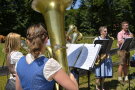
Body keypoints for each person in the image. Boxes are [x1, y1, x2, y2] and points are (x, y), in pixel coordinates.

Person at [16, 24, 78, 90]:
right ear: (46, 40)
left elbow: (18, 88)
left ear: (27, 42)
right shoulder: (50, 64)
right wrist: (71, 74)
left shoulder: (19, 61)